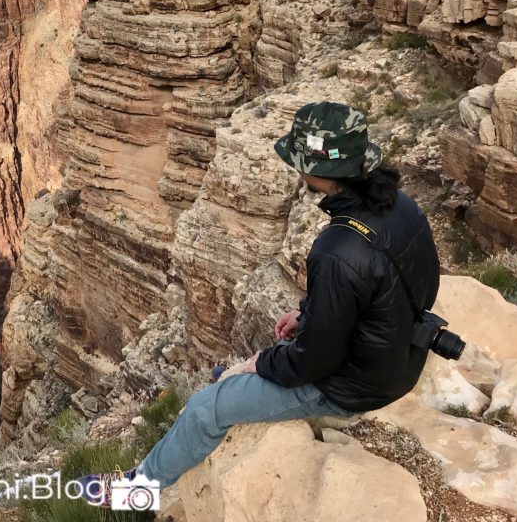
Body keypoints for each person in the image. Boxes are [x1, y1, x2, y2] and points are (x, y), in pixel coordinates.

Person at [76, 101, 441, 506]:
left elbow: (311, 364)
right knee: (253, 367)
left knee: (206, 408)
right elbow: (383, 288)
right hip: (398, 357)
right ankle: (240, 380)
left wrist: (260, 364)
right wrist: (308, 317)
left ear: (315, 170)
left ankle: (136, 490)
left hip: (356, 386)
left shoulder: (338, 248)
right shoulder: (401, 205)